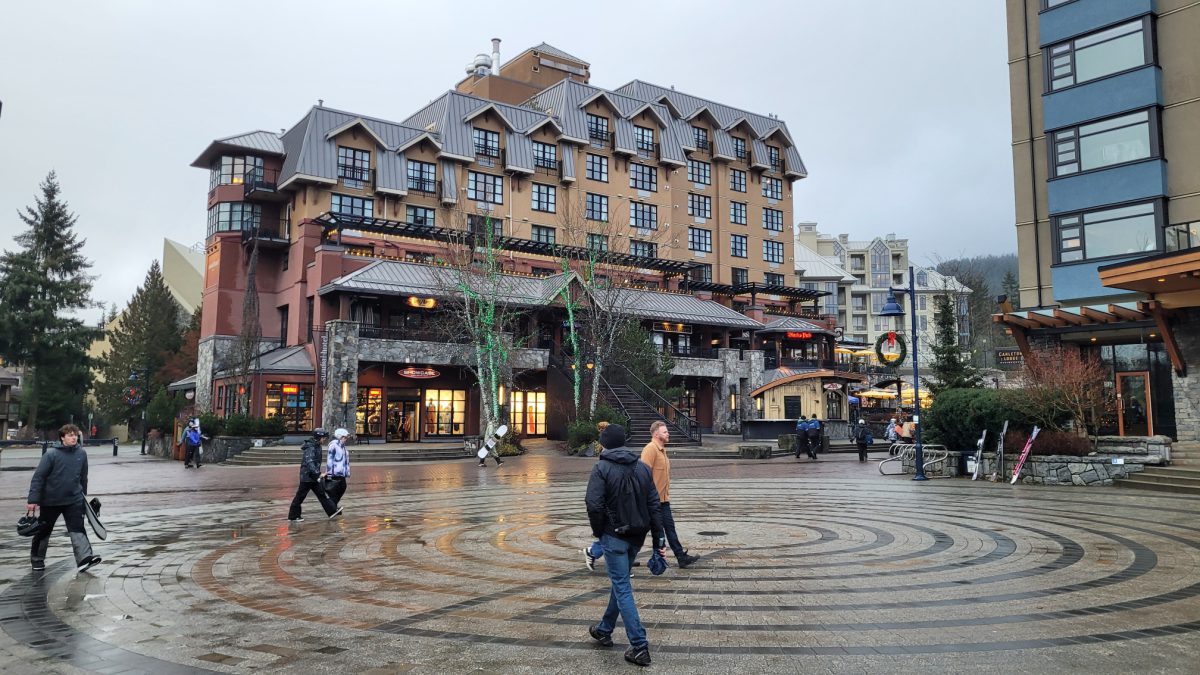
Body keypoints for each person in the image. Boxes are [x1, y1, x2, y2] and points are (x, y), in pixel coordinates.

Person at [585, 424, 666, 667]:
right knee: (620, 583)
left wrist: (600, 532)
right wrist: (658, 540)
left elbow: (593, 504)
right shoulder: (642, 468)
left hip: (614, 536)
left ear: (604, 444)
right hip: (637, 536)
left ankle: (639, 646)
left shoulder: (601, 468)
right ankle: (604, 629)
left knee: (621, 586)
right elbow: (654, 505)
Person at [27, 424, 101, 573]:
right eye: (70, 435)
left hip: (74, 500)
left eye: (75, 435)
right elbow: (38, 478)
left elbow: (83, 477)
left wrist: (83, 497)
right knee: (44, 531)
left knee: (77, 529)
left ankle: (84, 559)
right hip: (50, 501)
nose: (74, 438)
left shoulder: (81, 454)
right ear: (62, 437)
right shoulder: (51, 454)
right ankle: (37, 559)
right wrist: (33, 500)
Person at [639, 421, 699, 569]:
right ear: (656, 434)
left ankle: (680, 557)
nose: (668, 434)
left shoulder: (662, 450)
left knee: (669, 528)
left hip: (663, 500)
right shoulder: (650, 449)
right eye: (665, 432)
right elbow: (642, 476)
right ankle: (616, 554)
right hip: (652, 502)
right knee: (645, 531)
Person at [288, 428, 343, 522]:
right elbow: (310, 462)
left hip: (313, 477)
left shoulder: (317, 446)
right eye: (323, 438)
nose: (324, 440)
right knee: (300, 496)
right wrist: (318, 473)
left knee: (321, 494)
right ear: (319, 438)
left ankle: (332, 511)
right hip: (307, 476)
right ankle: (293, 516)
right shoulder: (311, 447)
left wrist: (317, 474)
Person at [324, 428, 351, 506]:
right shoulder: (333, 445)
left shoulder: (342, 446)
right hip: (335, 472)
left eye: (346, 437)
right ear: (340, 437)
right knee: (336, 490)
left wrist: (346, 471)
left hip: (341, 472)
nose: (346, 439)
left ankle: (333, 506)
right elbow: (330, 459)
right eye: (344, 437)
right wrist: (329, 473)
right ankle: (332, 506)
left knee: (342, 487)